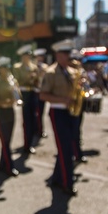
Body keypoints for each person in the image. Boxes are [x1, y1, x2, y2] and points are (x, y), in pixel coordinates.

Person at [39, 40, 80, 195]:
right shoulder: (50, 73)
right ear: (57, 55)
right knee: (65, 149)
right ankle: (67, 182)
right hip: (58, 112)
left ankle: (57, 178)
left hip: (71, 112)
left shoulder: (72, 71)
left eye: (68, 54)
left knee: (68, 145)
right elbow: (43, 95)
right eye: (64, 54)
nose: (67, 57)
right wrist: (63, 100)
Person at [0, 56, 20, 176]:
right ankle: (9, 166)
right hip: (1, 113)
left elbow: (18, 96)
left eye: (8, 67)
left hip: (10, 112)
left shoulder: (12, 80)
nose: (6, 70)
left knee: (8, 140)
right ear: (0, 69)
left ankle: (2, 164)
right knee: (5, 141)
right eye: (4, 68)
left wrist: (15, 94)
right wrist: (7, 101)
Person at [12, 44, 41, 155]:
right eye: (26, 55)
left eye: (29, 55)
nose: (28, 57)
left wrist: (37, 78)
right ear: (22, 56)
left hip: (33, 93)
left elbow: (37, 81)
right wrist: (29, 77)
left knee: (34, 118)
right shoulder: (17, 67)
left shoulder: (34, 67)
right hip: (24, 93)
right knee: (27, 120)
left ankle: (30, 142)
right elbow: (16, 82)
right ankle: (27, 144)